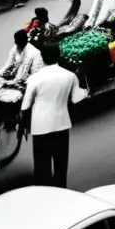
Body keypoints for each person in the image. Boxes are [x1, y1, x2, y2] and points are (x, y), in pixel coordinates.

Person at [21, 44, 87, 188]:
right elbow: (76, 98)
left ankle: (45, 195)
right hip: (61, 125)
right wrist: (84, 91)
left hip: (40, 127)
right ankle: (61, 192)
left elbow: (25, 105)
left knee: (41, 168)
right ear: (59, 55)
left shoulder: (34, 78)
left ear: (42, 58)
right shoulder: (70, 76)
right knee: (60, 167)